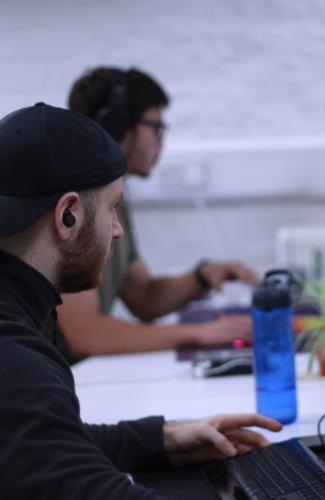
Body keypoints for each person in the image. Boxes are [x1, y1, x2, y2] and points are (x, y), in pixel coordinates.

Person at [0, 103, 282, 498]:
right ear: (68, 215)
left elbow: (50, 442)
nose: (116, 231)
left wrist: (165, 438)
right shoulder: (16, 359)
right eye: (111, 207)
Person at [43, 67, 256, 365]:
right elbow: (85, 334)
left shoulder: (111, 198)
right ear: (118, 128)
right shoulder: (74, 204)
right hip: (49, 388)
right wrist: (199, 333)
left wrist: (202, 275)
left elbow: (142, 296)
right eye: (156, 129)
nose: (161, 143)